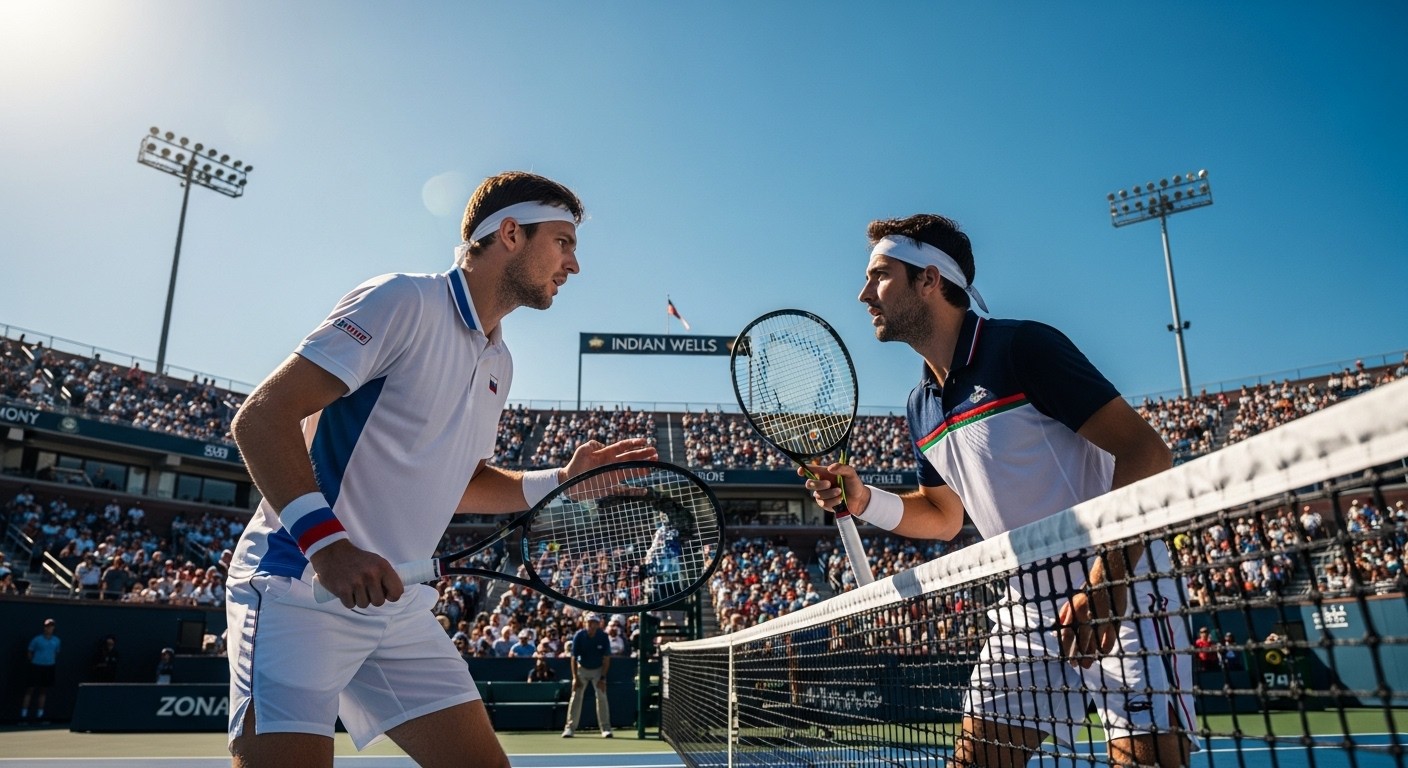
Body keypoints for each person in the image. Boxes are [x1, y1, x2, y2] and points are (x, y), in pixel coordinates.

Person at [224, 171, 655, 768]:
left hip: (396, 603)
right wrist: (330, 548)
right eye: (563, 242)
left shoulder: (500, 361)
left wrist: (561, 480)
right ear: (510, 233)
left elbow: (463, 482)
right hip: (299, 585)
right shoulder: (401, 300)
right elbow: (261, 418)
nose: (573, 264)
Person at [801, 213, 1191, 768]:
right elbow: (944, 516)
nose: (864, 294)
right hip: (1026, 601)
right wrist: (865, 501)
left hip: (1122, 581)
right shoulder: (920, 405)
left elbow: (1147, 452)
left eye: (880, 275)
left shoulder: (1023, 347)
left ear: (929, 279)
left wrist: (1109, 580)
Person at [562, 613, 613, 738]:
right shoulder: (579, 636)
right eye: (589, 623)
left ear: (598, 624)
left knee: (602, 696)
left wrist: (602, 678)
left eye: (594, 623)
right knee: (576, 696)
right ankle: (569, 728)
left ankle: (606, 729)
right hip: (582, 668)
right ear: (585, 624)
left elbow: (606, 659)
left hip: (598, 670)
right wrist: (575, 678)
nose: (591, 625)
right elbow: (573, 658)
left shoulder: (603, 636)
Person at [21, 618, 60, 723]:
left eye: (51, 626)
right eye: (47, 626)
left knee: (43, 691)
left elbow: (56, 653)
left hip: (49, 667)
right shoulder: (37, 639)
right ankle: (23, 716)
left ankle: (40, 716)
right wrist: (35, 662)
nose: (49, 628)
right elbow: (30, 652)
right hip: (36, 667)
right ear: (44, 627)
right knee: (30, 690)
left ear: (53, 628)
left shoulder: (56, 641)